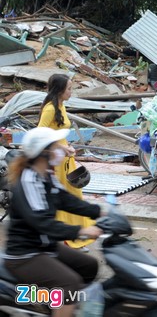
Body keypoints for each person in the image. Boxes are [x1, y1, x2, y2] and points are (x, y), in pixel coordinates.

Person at [3, 127, 103, 317]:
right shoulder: (29, 180)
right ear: (44, 152)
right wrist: (81, 231)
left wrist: (99, 211)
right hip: (25, 254)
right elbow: (42, 223)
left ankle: (62, 308)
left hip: (44, 246)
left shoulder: (47, 175)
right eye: (56, 146)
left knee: (90, 266)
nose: (61, 149)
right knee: (69, 283)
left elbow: (65, 200)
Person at [38, 73, 95, 250]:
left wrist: (67, 145)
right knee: (65, 197)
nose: (71, 92)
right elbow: (40, 133)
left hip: (65, 157)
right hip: (55, 160)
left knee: (74, 195)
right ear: (60, 90)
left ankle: (76, 234)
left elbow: (57, 132)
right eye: (69, 89)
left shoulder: (60, 105)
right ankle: (69, 237)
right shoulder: (50, 109)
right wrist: (61, 147)